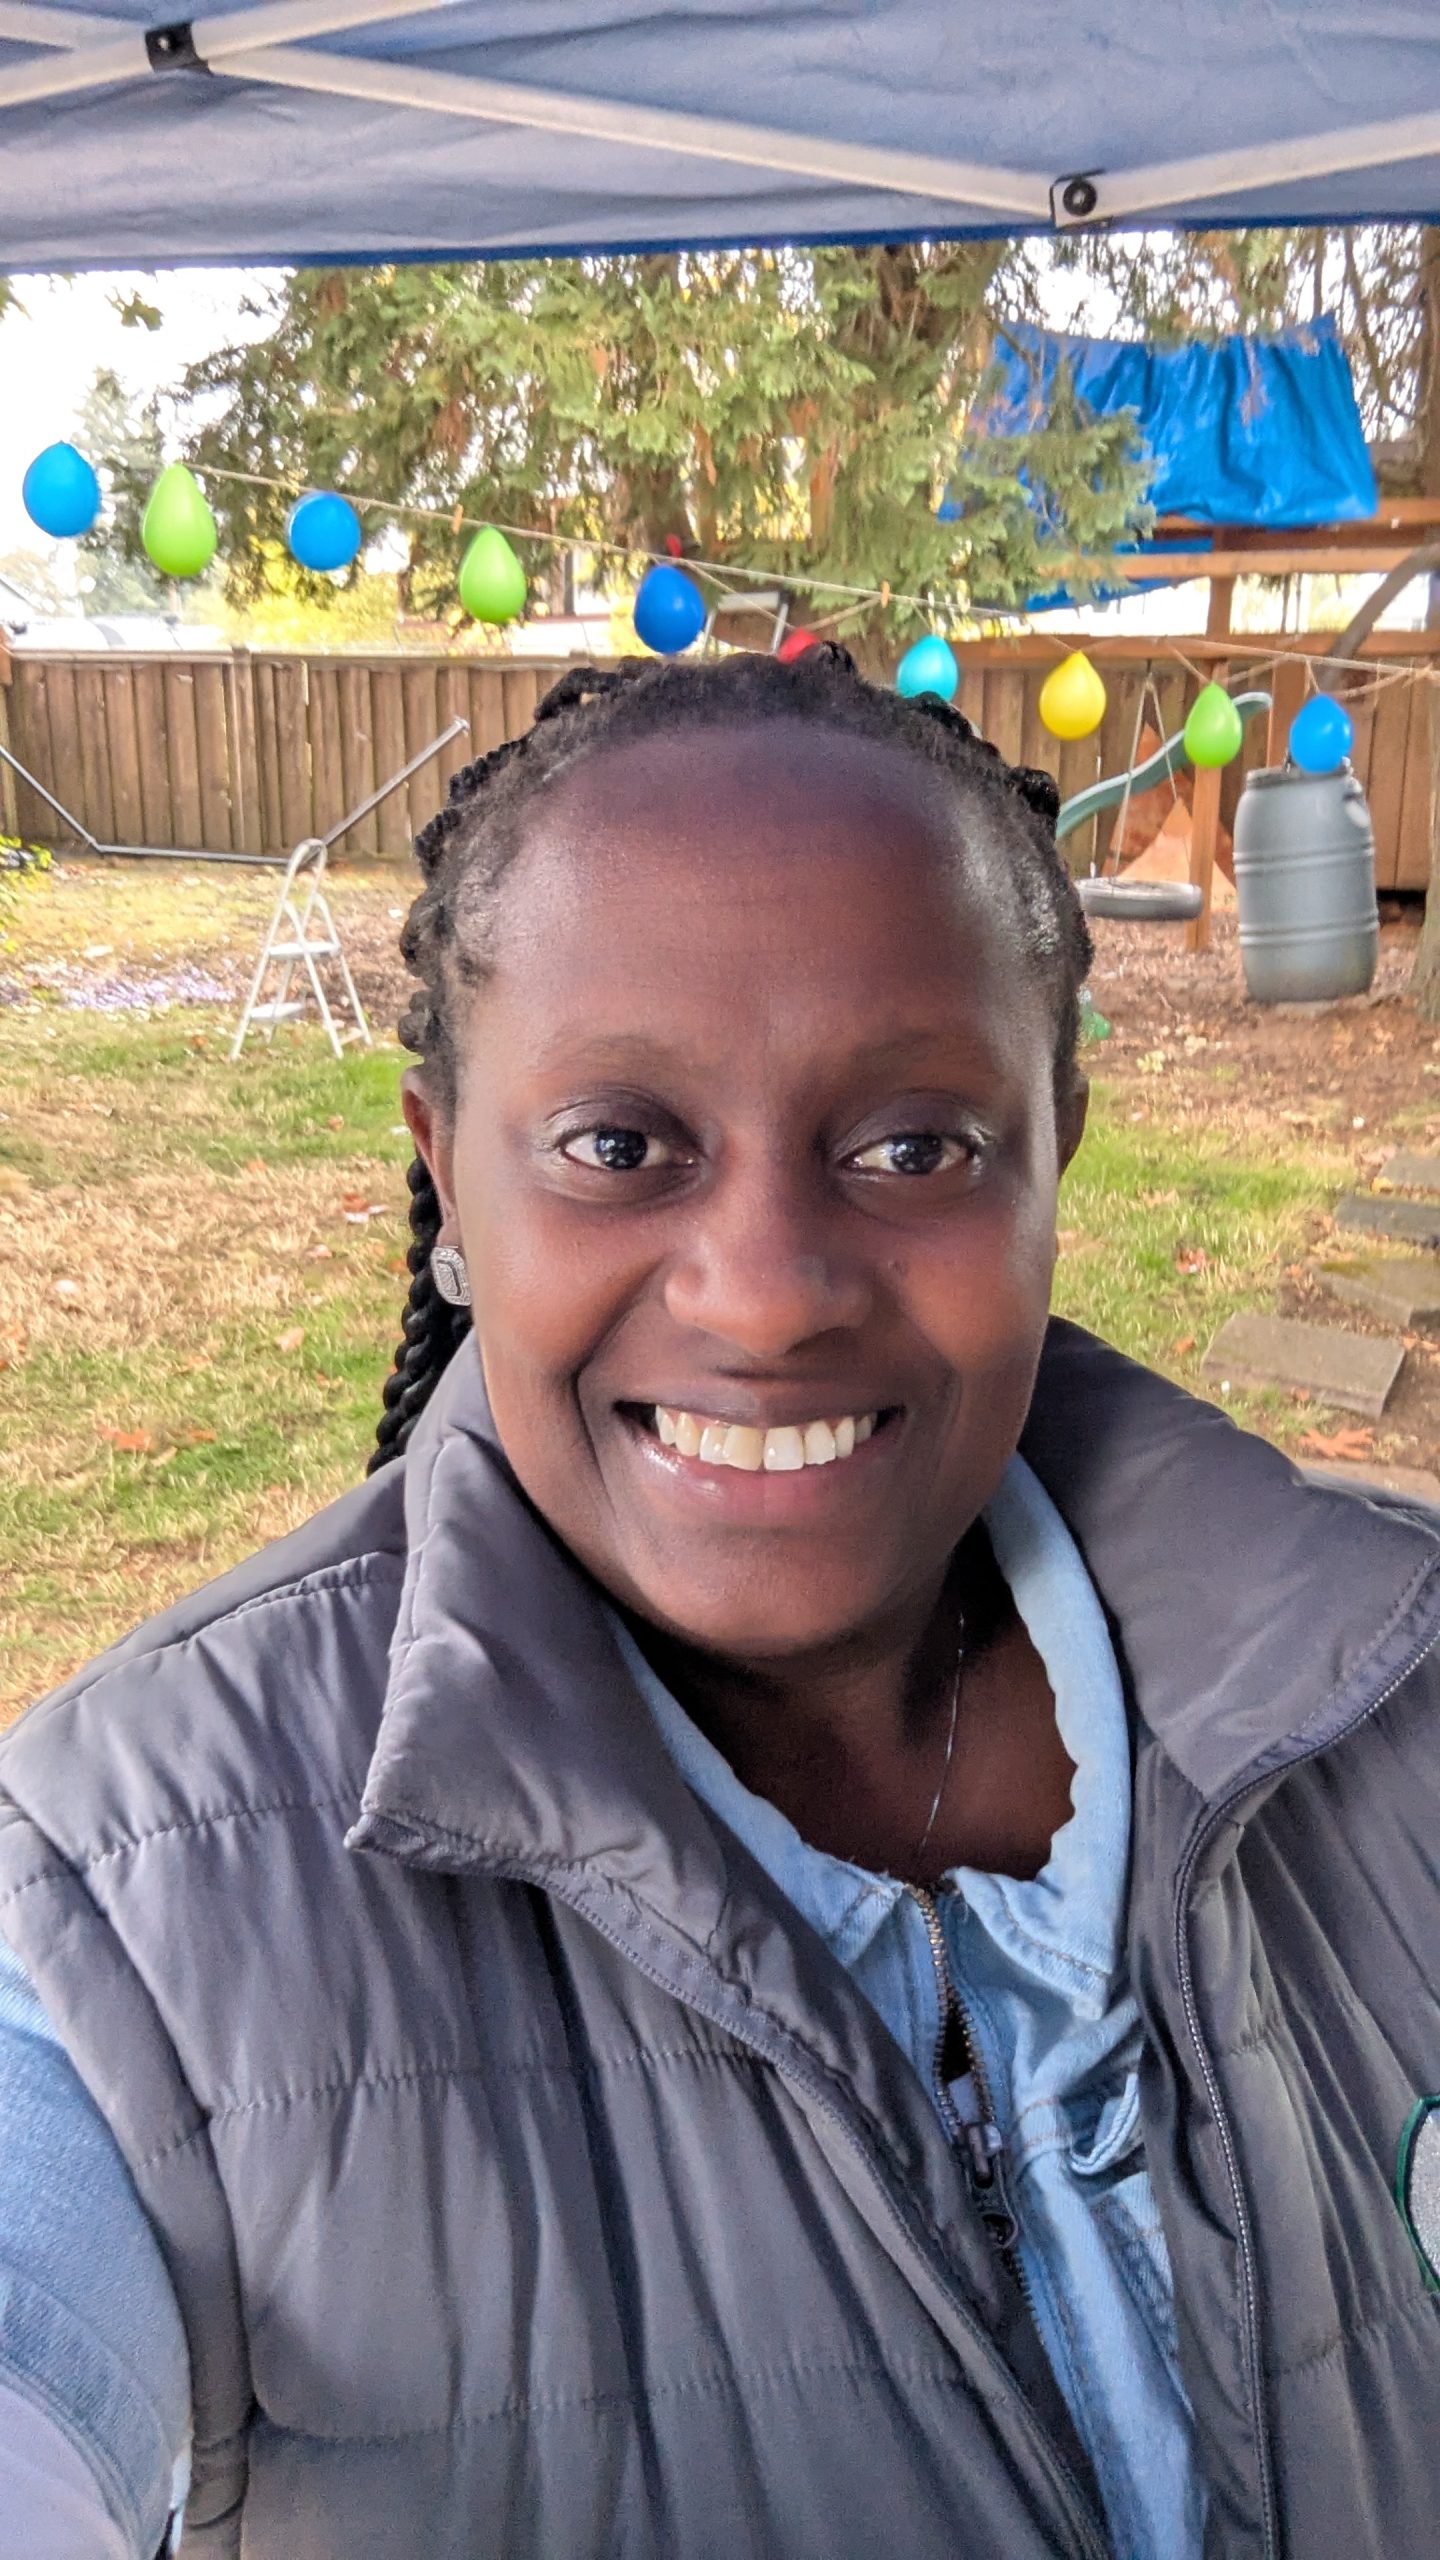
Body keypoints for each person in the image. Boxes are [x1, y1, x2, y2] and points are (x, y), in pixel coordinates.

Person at [1, 646, 1438, 2560]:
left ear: (1056, 1153)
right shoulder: (133, 1904)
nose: (764, 1295)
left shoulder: (1397, 1682)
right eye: (619, 1148)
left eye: (914, 1147)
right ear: (447, 1176)